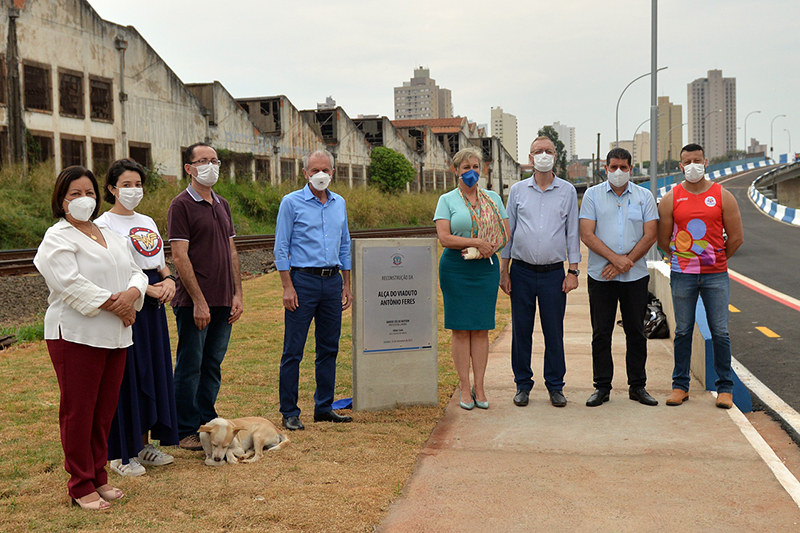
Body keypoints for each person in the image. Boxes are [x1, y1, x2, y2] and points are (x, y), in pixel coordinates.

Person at [34, 166, 148, 510]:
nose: (84, 199)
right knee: (79, 412)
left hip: (114, 334)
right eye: (75, 194)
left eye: (89, 193)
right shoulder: (57, 237)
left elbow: (136, 271)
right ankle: (80, 484)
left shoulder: (108, 234)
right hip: (75, 334)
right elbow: (68, 282)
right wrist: (118, 305)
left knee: (103, 411)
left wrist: (131, 295)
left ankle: (99, 475)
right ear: (61, 200)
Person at [96, 159, 179, 476]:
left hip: (154, 310)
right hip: (129, 304)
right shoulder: (104, 224)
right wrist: (146, 291)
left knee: (153, 372)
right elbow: (111, 270)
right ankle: (120, 454)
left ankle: (144, 445)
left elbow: (158, 262)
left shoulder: (147, 220)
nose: (133, 191)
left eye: (138, 184)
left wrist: (169, 279)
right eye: (126, 185)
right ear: (112, 188)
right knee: (127, 376)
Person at [167, 143, 244, 450]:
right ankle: (184, 427)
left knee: (212, 363)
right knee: (190, 364)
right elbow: (179, 256)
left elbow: (232, 251)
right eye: (203, 161)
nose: (210, 165)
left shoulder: (221, 204)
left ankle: (206, 420)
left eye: (214, 160)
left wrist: (237, 292)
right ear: (189, 168)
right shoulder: (181, 205)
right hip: (195, 303)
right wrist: (198, 301)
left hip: (224, 299)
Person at [657, 143, 743, 409]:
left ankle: (725, 388)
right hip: (682, 275)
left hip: (715, 275)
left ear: (706, 162)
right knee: (682, 331)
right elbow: (662, 239)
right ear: (680, 166)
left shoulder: (723, 196)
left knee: (720, 331)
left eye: (697, 160)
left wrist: (715, 259)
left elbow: (737, 237)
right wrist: (682, 260)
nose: (692, 165)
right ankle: (680, 386)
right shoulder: (672, 198)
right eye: (687, 162)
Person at [274, 149, 353, 430]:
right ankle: (290, 411)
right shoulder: (291, 203)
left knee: (329, 347)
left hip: (332, 281)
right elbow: (281, 246)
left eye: (326, 170)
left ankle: (324, 407)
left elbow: (345, 244)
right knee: (293, 349)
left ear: (333, 172)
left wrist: (346, 283)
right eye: (315, 170)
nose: (321, 175)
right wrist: (287, 286)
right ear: (305, 173)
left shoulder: (339, 203)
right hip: (302, 281)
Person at [500, 136, 581, 408]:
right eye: (538, 151)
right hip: (521, 271)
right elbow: (508, 232)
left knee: (553, 331)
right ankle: (522, 384)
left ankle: (555, 386)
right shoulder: (518, 190)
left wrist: (573, 271)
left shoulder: (567, 191)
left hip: (553, 274)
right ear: (530, 157)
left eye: (548, 151)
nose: (543, 155)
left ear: (555, 156)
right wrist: (504, 270)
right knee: (521, 331)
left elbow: (572, 232)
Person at [579, 148, 659, 407]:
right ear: (605, 168)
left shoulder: (644, 196)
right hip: (601, 277)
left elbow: (650, 234)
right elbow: (587, 234)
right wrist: (617, 260)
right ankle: (602, 387)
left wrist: (627, 263)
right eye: (613, 167)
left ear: (631, 169)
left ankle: (638, 386)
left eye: (623, 167)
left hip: (635, 277)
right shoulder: (592, 196)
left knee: (636, 331)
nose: (618, 172)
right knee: (601, 333)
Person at [434, 147, 510, 410]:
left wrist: (481, 250)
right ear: (455, 170)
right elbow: (444, 238)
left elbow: (504, 234)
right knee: (460, 329)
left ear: (482, 170)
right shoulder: (447, 200)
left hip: (485, 267)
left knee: (480, 329)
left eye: (476, 167)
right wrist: (475, 241)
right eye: (466, 168)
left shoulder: (493, 198)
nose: (471, 172)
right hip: (456, 269)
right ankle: (464, 388)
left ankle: (480, 386)